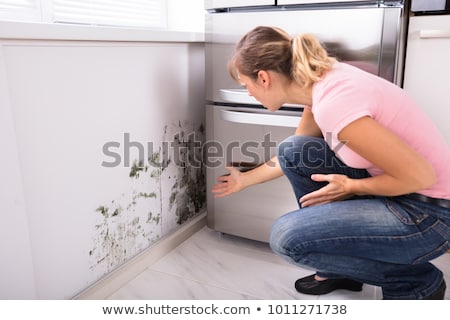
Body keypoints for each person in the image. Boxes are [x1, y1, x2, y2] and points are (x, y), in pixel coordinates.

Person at [212, 26, 450, 300]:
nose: (250, 94)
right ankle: (340, 270)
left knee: (287, 239)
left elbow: (420, 176)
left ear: (263, 78)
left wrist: (352, 185)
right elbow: (292, 156)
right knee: (295, 149)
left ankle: (415, 282)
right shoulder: (319, 83)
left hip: (429, 215)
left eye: (246, 85)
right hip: (405, 192)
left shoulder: (335, 103)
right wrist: (245, 179)